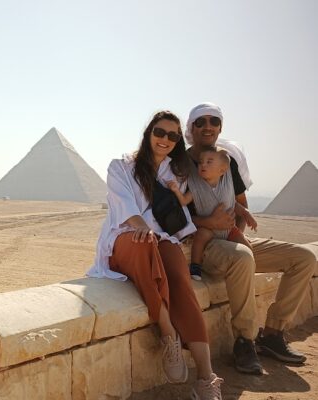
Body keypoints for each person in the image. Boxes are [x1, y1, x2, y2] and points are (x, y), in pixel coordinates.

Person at [88, 110, 223, 400]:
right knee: (145, 243)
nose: (165, 139)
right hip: (123, 239)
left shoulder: (175, 175)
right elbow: (125, 207)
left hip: (159, 241)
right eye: (159, 132)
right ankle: (168, 333)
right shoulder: (121, 167)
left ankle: (206, 377)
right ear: (148, 132)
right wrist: (143, 229)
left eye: (172, 136)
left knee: (180, 277)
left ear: (177, 141)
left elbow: (180, 216)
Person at [185, 102, 315, 375]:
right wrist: (208, 223)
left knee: (304, 257)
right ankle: (244, 341)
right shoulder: (180, 165)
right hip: (201, 244)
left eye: (214, 121)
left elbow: (241, 205)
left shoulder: (227, 162)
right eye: (200, 122)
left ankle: (273, 334)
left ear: (220, 128)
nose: (208, 126)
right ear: (191, 128)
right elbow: (169, 217)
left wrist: (237, 233)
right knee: (243, 257)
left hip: (230, 239)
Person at [167, 146, 257, 281]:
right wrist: (176, 191)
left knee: (247, 248)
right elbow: (184, 201)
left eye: (209, 162)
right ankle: (195, 266)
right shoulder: (196, 188)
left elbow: (233, 204)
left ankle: (250, 270)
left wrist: (246, 214)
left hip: (229, 230)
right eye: (200, 162)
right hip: (207, 228)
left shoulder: (225, 187)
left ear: (222, 170)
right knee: (200, 237)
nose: (203, 165)